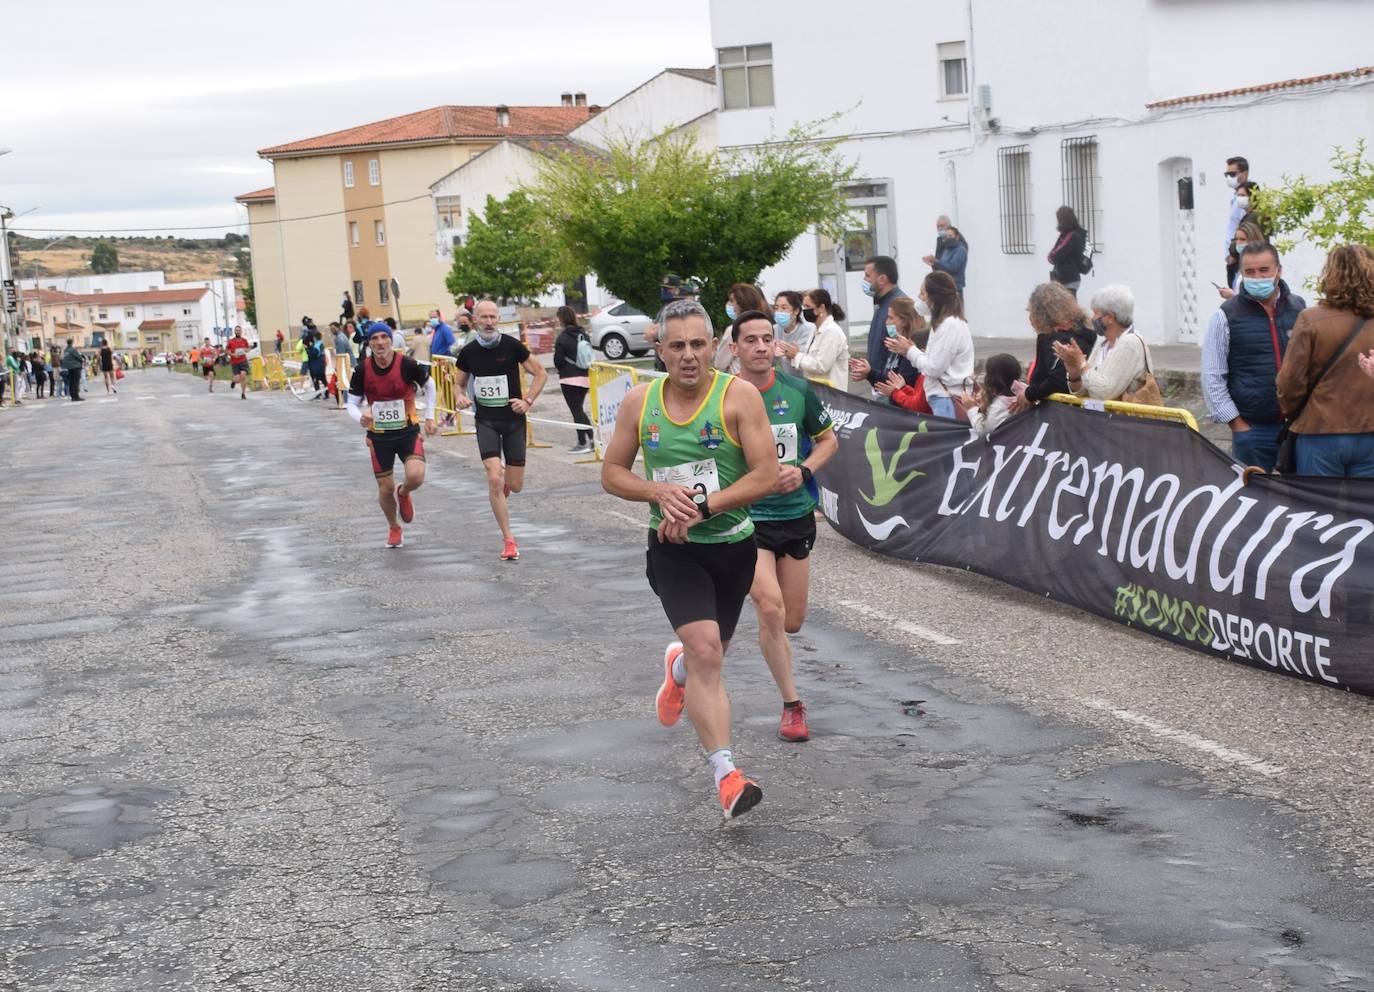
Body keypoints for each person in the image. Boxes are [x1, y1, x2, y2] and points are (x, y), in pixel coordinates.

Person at [600, 299, 779, 818]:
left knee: (710, 651)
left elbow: (765, 474)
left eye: (698, 344)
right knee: (707, 651)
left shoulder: (739, 397)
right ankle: (728, 777)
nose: (688, 356)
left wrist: (705, 506)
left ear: (714, 346)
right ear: (658, 349)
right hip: (674, 549)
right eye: (676, 346)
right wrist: (657, 492)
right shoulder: (640, 401)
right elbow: (612, 472)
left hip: (734, 546)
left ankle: (676, 670)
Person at [731, 310, 837, 743]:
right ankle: (792, 705)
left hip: (794, 515)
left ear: (776, 344)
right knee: (770, 607)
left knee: (791, 620)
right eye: (750, 340)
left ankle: (699, 649)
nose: (760, 347)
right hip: (746, 518)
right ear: (735, 348)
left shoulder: (797, 391)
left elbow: (829, 440)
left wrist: (806, 471)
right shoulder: (723, 396)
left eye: (766, 339)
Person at [454, 300, 549, 561]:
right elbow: (457, 384)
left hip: (513, 421)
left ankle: (506, 483)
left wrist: (527, 400)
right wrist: (459, 397)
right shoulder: (469, 352)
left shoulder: (512, 346)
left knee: (515, 485)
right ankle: (509, 539)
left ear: (498, 319)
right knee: (494, 478)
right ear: (475, 321)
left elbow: (541, 373)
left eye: (493, 317)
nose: (489, 322)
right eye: (483, 317)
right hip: (486, 420)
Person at [1202, 243, 1307, 471]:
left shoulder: (1299, 308)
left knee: (1299, 502)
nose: (1257, 277)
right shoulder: (1226, 315)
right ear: (1241, 273)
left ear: (1278, 270)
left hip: (1297, 427)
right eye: (1249, 272)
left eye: (1264, 270)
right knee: (1255, 501)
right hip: (1253, 431)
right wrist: (1237, 424)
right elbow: (1212, 376)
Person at [1275, 244, 1374, 477]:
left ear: (1331, 274)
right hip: (1370, 430)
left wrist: (1291, 409)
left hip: (1320, 430)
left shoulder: (1312, 319)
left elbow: (1291, 382)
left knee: (1317, 508)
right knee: (1365, 511)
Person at [346, 321, 437, 548]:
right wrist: (361, 418)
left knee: (415, 476)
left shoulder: (406, 364)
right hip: (379, 436)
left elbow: (431, 384)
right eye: (375, 339)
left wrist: (430, 416)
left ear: (391, 339)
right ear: (369, 343)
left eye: (383, 338)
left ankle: (404, 492)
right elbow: (351, 403)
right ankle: (394, 527)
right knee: (385, 488)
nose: (380, 342)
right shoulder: (362, 369)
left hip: (407, 431)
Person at [883, 271, 973, 419]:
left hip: (947, 399)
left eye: (923, 293)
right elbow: (936, 363)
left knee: (946, 442)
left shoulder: (949, 325)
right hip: (943, 398)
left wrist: (910, 350)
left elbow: (934, 368)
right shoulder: (943, 324)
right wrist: (910, 351)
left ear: (934, 297)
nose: (919, 297)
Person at [1054, 284, 1152, 402]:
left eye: (1096, 313)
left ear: (1110, 317)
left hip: (1125, 419)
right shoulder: (1102, 342)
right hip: (1101, 418)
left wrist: (1081, 363)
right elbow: (1084, 392)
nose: (1092, 318)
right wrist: (1075, 374)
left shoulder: (1130, 343)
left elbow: (1104, 393)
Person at [1018, 283, 1096, 409]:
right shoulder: (1081, 331)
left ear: (1041, 314)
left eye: (1031, 312)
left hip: (1061, 412)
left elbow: (1057, 379)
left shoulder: (1057, 340)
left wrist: (1029, 394)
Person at [859, 297, 927, 412]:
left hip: (904, 413)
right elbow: (890, 381)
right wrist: (869, 373)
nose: (886, 322)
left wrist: (870, 373)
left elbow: (901, 383)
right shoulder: (894, 345)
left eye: (890, 318)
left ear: (904, 321)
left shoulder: (911, 349)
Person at [779, 289, 848, 389]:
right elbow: (811, 360)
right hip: (818, 390)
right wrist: (795, 355)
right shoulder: (815, 329)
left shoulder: (832, 332)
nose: (805, 311)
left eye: (808, 306)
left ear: (821, 308)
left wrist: (796, 355)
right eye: (804, 306)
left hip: (832, 394)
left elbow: (821, 366)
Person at [857, 255, 908, 387]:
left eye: (868, 276)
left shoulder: (897, 305)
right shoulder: (882, 303)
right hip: (880, 382)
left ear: (882, 279)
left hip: (890, 385)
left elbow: (896, 343)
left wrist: (874, 374)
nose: (864, 280)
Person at [552, 305, 594, 453]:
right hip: (585, 378)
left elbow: (558, 360)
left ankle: (583, 443)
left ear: (561, 319)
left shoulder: (562, 338)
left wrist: (561, 367)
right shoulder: (584, 334)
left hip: (568, 379)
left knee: (576, 411)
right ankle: (593, 439)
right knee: (579, 410)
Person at [713, 283, 769, 373]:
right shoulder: (766, 327)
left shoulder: (733, 330)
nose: (729, 304)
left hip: (738, 381)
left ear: (741, 303)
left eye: (732, 301)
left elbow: (719, 364)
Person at [965, 354, 1022, 436]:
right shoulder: (1025, 393)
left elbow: (984, 431)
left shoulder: (1000, 406)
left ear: (992, 378)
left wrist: (972, 409)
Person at [1217, 220, 1265, 300]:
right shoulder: (1240, 263)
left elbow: (1257, 298)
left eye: (1242, 239)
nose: (1238, 243)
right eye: (1236, 239)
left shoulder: (1260, 265)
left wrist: (1233, 296)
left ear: (1253, 240)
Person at [1047, 206, 1089, 298]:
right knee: (1068, 308)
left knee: (1067, 309)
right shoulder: (1069, 234)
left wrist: (1051, 256)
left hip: (1067, 279)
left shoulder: (1072, 236)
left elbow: (1054, 256)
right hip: (1068, 279)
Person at [771, 291, 813, 377]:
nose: (779, 311)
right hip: (787, 380)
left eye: (784, 308)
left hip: (806, 380)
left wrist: (792, 354)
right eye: (776, 307)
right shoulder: (774, 329)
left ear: (796, 311)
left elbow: (806, 360)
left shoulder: (808, 330)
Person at [1223, 156, 1251, 286]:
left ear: (1244, 174)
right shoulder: (1236, 198)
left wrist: (1233, 253)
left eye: (1232, 174)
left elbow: (1244, 228)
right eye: (1227, 174)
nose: (1229, 177)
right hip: (1233, 254)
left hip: (1239, 254)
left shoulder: (1245, 199)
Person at [924, 218, 968, 293]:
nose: (940, 229)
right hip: (943, 285)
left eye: (942, 226)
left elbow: (952, 267)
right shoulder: (945, 245)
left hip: (954, 286)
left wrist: (936, 261)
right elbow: (941, 265)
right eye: (938, 226)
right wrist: (932, 263)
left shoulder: (960, 248)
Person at [227, 325, 251, 400]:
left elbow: (248, 348)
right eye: (236, 330)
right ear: (235, 332)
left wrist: (247, 350)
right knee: (237, 379)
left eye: (239, 330)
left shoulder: (244, 340)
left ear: (241, 331)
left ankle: (243, 394)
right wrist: (233, 354)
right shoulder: (231, 341)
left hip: (243, 361)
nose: (238, 331)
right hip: (235, 363)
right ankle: (233, 381)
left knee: (243, 377)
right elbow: (227, 351)